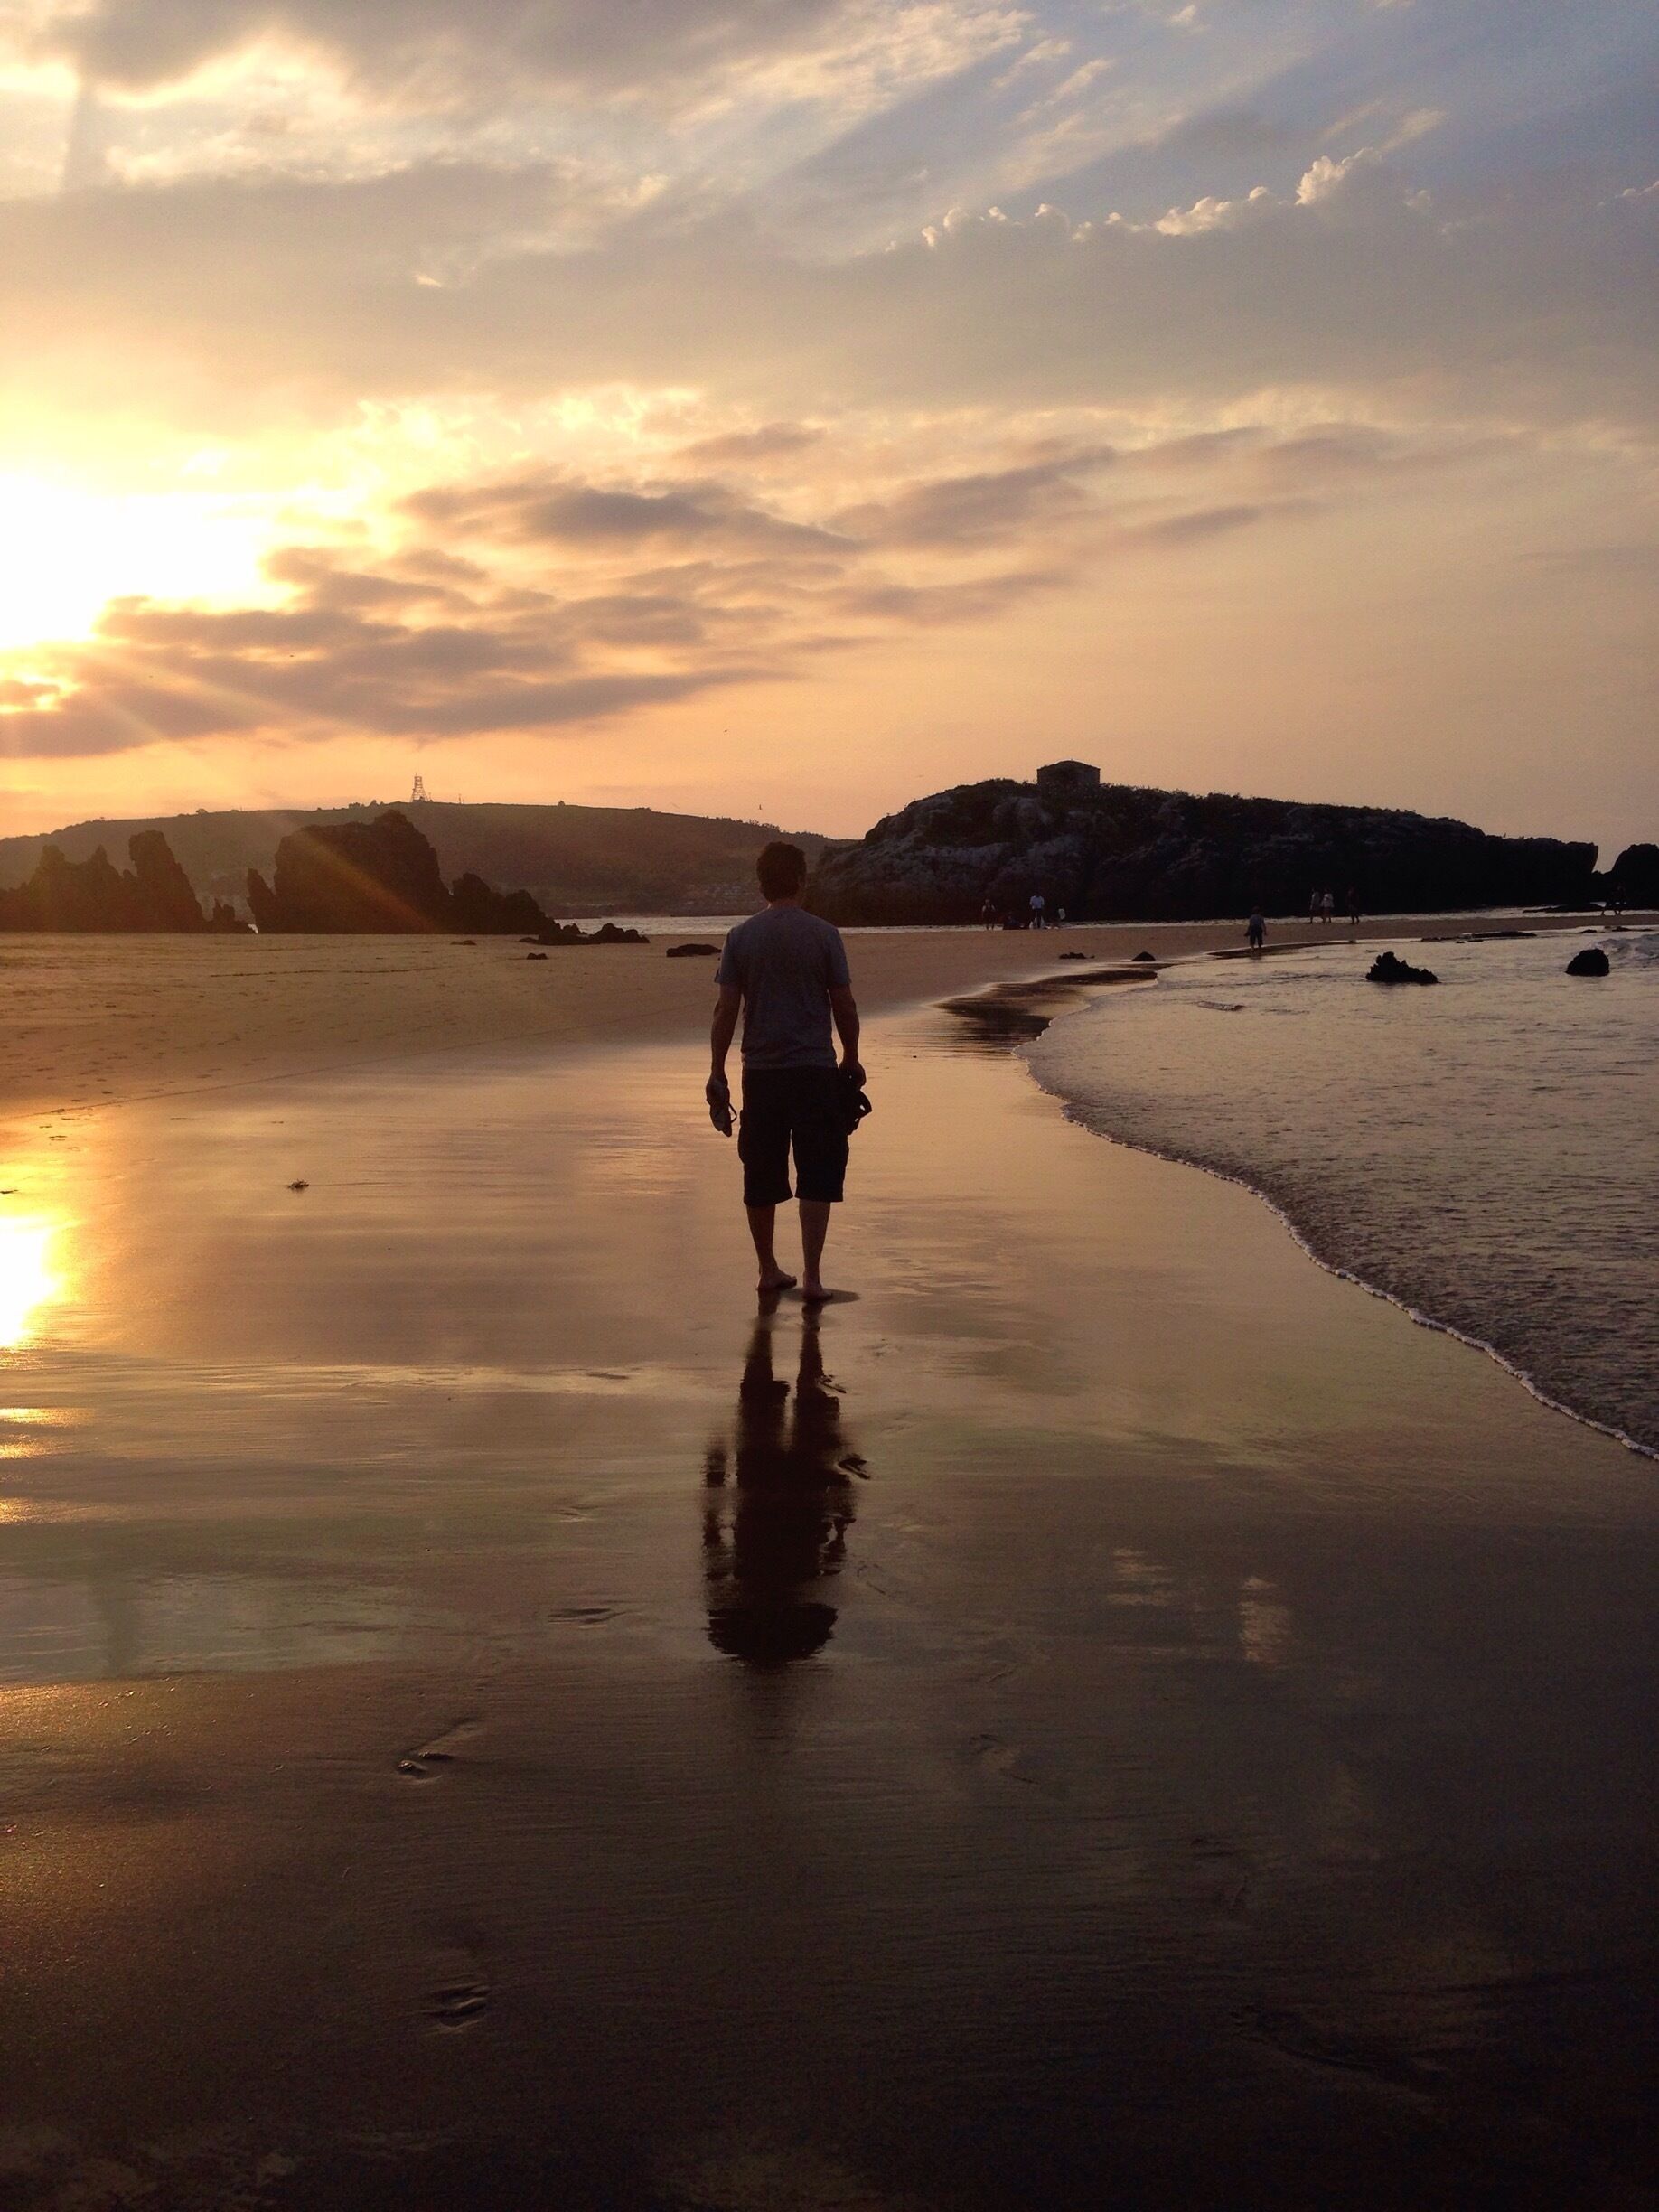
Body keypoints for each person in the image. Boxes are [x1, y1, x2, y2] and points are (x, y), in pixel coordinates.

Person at [708, 840, 862, 1302]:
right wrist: (851, 1056)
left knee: (761, 1168)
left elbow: (725, 1010)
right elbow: (843, 1003)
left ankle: (768, 1269)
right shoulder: (824, 934)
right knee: (818, 1167)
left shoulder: (740, 937)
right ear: (800, 879)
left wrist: (717, 1070)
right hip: (814, 1069)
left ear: (761, 885)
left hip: (762, 1073)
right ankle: (812, 1277)